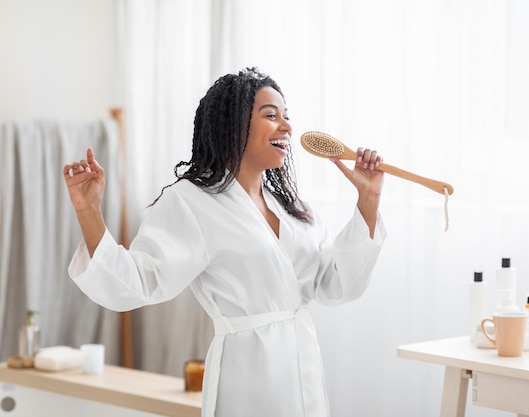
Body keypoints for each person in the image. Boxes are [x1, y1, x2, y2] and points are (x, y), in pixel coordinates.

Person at [63, 67, 386, 417]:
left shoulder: (292, 208)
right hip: (247, 375)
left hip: (302, 363)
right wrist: (89, 212)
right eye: (271, 115)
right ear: (234, 125)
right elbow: (136, 282)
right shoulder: (192, 202)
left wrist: (367, 198)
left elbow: (336, 285)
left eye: (287, 116)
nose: (287, 127)